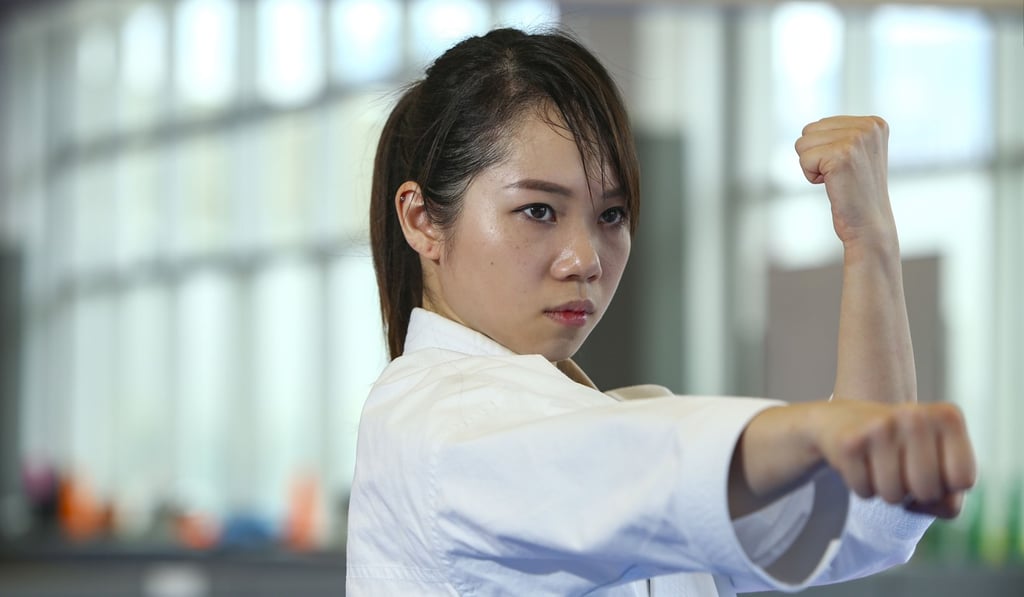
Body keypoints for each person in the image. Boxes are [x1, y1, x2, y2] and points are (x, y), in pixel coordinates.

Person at [346, 27, 976, 597]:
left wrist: (869, 241)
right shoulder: (432, 424)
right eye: (538, 210)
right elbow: (624, 462)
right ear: (421, 220)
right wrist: (818, 433)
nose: (585, 259)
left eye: (611, 215)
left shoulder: (622, 424)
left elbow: (861, 518)